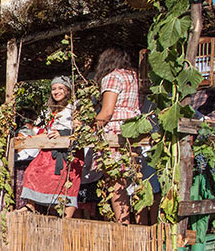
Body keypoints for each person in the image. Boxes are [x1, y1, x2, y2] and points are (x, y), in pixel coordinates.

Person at [20, 76, 83, 218]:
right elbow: (47, 133)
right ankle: (30, 206)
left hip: (68, 152)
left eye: (60, 88)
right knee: (32, 172)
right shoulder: (50, 111)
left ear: (68, 90)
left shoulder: (74, 107)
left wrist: (63, 133)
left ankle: (67, 217)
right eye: (54, 89)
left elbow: (80, 129)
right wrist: (28, 138)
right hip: (50, 150)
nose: (56, 91)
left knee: (68, 181)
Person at [94, 47, 142, 224]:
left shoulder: (112, 77)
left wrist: (90, 127)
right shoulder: (133, 76)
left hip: (116, 130)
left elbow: (107, 112)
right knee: (131, 179)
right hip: (132, 128)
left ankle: (122, 223)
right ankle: (133, 221)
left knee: (116, 180)